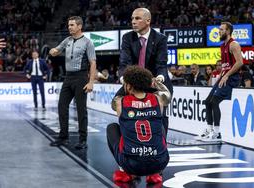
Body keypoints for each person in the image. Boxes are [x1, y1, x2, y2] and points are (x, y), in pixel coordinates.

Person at [107, 66, 170, 184]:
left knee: (112, 127)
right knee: (160, 126)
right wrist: (154, 82)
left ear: (129, 86)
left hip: (131, 165)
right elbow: (167, 93)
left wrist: (125, 83)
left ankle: (123, 171)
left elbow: (115, 99)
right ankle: (154, 173)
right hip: (159, 162)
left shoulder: (120, 103)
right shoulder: (158, 99)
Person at [117, 7, 173, 135]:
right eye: (132, 19)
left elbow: (161, 64)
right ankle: (130, 142)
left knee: (160, 116)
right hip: (134, 81)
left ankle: (161, 145)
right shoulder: (127, 38)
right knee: (117, 101)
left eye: (137, 18)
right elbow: (125, 63)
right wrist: (125, 80)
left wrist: (159, 78)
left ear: (148, 21)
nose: (133, 21)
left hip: (155, 81)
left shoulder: (160, 39)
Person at [49, 16, 96, 149]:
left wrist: (91, 82)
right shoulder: (67, 40)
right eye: (69, 25)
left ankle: (83, 140)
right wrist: (53, 51)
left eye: (72, 25)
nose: (69, 27)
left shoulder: (88, 42)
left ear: (79, 26)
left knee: (81, 109)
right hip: (68, 77)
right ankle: (63, 137)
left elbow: (93, 63)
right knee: (62, 106)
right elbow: (56, 50)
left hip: (81, 77)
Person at [195, 22, 243, 142]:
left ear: (228, 31)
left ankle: (217, 133)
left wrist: (226, 75)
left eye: (221, 30)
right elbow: (226, 65)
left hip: (232, 77)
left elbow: (240, 62)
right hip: (224, 76)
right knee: (207, 102)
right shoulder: (222, 46)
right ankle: (209, 130)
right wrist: (222, 75)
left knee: (214, 101)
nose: (219, 31)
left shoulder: (234, 44)